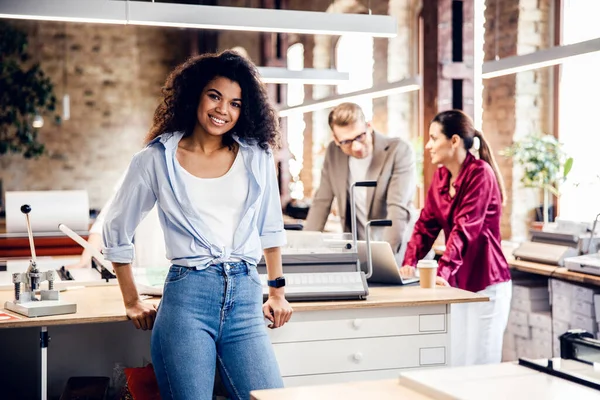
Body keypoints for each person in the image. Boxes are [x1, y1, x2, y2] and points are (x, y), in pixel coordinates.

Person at [102, 50, 293, 400]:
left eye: (235, 103)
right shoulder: (155, 159)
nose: (223, 110)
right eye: (215, 96)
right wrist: (131, 299)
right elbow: (116, 229)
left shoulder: (257, 155)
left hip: (246, 301)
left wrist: (277, 291)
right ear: (196, 95)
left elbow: (270, 226)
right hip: (187, 302)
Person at [400, 109, 512, 366]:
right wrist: (409, 262)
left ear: (454, 141)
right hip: (459, 285)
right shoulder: (440, 176)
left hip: (487, 284)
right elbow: (425, 225)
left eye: (433, 138)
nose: (428, 145)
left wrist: (444, 272)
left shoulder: (480, 173)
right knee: (456, 362)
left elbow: (465, 229)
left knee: (482, 364)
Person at [304, 102, 416, 255]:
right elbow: (321, 203)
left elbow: (397, 210)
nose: (356, 147)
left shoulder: (398, 150)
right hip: (359, 253)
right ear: (336, 140)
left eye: (360, 136)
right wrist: (303, 250)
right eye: (346, 142)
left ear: (369, 126)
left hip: (398, 252)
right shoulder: (334, 153)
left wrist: (385, 256)